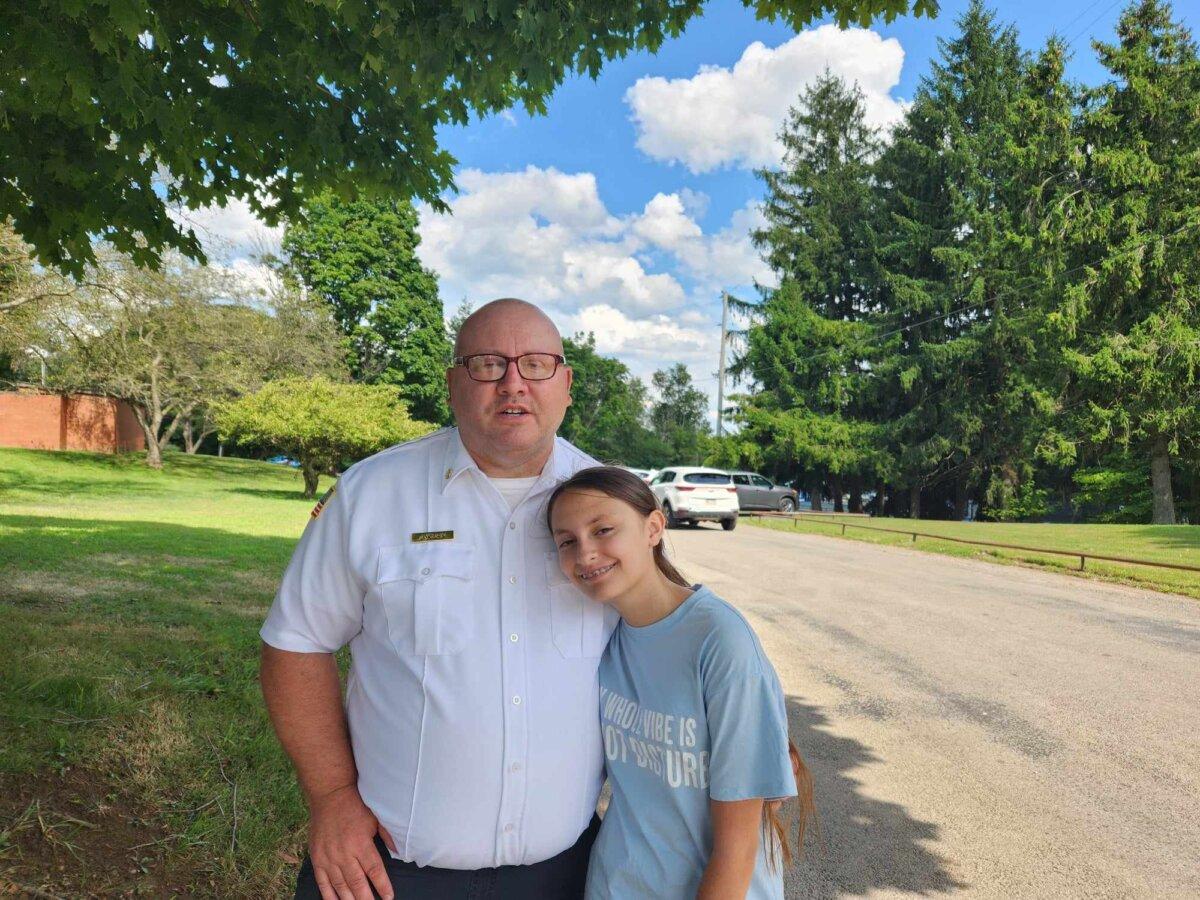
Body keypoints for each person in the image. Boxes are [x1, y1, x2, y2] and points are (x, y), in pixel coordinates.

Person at [259, 298, 618, 900]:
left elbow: (668, 627)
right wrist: (330, 795)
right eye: (486, 365)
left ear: (566, 385)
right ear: (454, 384)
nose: (512, 384)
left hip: (568, 873)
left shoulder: (612, 505)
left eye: (535, 364)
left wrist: (738, 718)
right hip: (386, 874)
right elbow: (295, 644)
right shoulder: (373, 493)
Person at [547, 466, 816, 899]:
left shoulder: (719, 639)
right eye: (567, 541)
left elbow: (737, 849)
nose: (585, 553)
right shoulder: (604, 640)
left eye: (603, 530)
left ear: (654, 527)